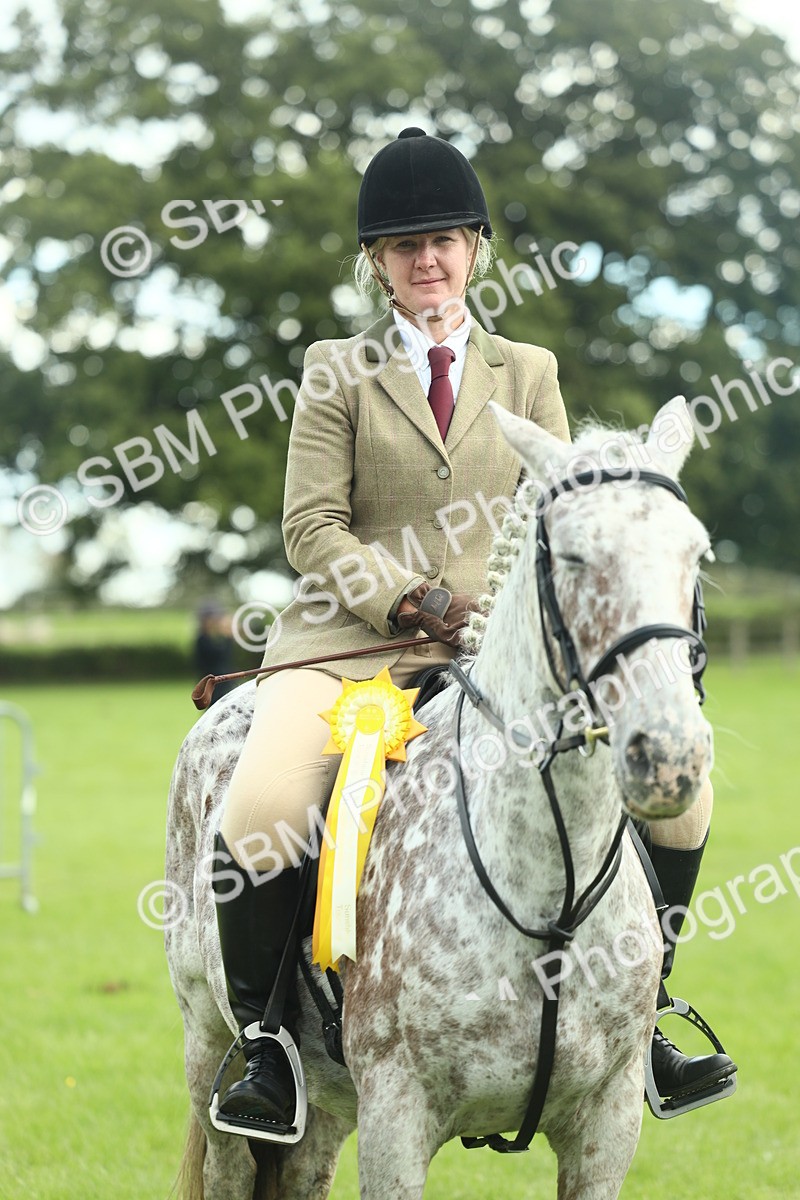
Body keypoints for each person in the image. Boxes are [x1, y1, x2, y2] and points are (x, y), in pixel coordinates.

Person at [210, 128, 734, 1138]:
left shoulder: (527, 369)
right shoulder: (334, 369)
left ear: (476, 248)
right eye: (404, 245)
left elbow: (557, 510)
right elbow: (309, 526)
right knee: (262, 805)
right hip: (345, 645)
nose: (426, 260)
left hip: (495, 649)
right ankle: (266, 1042)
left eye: (444, 239)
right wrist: (406, 597)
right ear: (376, 262)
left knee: (680, 793)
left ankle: (648, 1008)